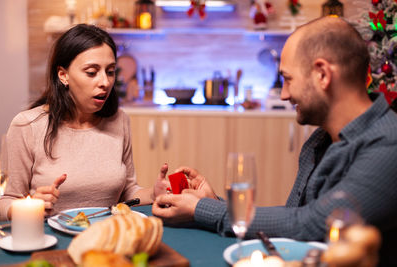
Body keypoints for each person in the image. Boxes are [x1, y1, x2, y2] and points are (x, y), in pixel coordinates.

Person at [152, 17, 397, 266]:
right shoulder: (319, 141)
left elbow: (311, 224)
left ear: (322, 74)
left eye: (288, 79)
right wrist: (214, 203)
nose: (284, 94)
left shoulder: (388, 144)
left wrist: (202, 209)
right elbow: (292, 221)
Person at [0, 24, 168, 220]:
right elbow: (6, 202)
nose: (105, 82)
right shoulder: (26, 126)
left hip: (107, 238)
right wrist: (29, 206)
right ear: (63, 75)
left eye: (111, 71)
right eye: (91, 72)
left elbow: (128, 192)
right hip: (50, 242)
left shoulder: (119, 120)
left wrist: (154, 193)